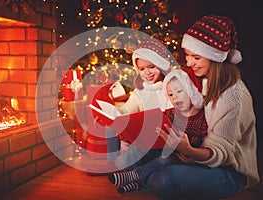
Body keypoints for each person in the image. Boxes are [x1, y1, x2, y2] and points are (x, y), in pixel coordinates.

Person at [147, 15, 260, 200]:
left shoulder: (234, 97)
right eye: (188, 55)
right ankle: (139, 177)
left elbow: (221, 153)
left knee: (162, 179)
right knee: (163, 159)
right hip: (205, 160)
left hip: (230, 172)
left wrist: (190, 151)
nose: (189, 63)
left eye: (196, 57)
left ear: (215, 58)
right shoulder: (208, 82)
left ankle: (144, 178)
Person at [107, 67, 208, 193]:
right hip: (163, 152)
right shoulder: (171, 113)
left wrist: (194, 157)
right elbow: (153, 123)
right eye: (170, 95)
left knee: (165, 160)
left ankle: (135, 176)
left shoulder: (204, 118)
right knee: (137, 149)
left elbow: (206, 146)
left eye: (179, 91)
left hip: (182, 159)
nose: (175, 98)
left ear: (191, 91)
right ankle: (139, 183)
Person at [106, 38, 174, 170]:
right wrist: (112, 114)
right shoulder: (140, 91)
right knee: (110, 128)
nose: (147, 73)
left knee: (158, 158)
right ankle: (115, 165)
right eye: (142, 69)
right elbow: (127, 110)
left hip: (162, 141)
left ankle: (131, 171)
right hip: (142, 140)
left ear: (161, 65)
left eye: (152, 67)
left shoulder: (171, 88)